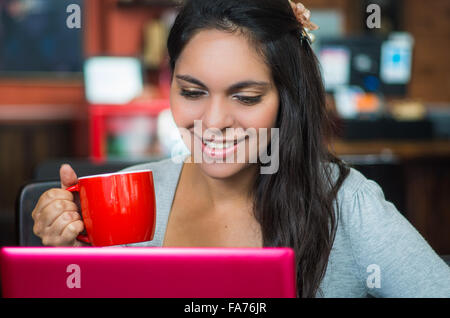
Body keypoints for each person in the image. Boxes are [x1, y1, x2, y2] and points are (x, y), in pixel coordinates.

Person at [31, 0, 450, 297]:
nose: (213, 123)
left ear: (288, 99)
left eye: (245, 98)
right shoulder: (124, 197)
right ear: (170, 82)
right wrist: (70, 261)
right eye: (192, 92)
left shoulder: (346, 205)